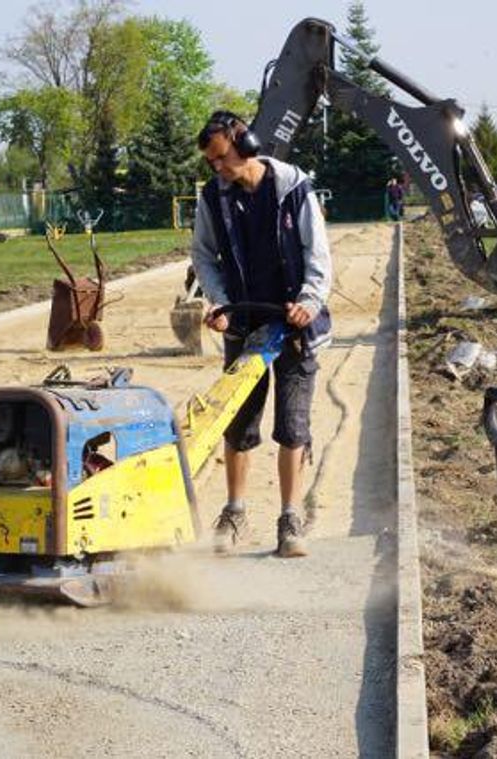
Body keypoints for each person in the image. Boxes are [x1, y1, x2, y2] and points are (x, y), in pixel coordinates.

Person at [190, 110, 333, 558]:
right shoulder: (214, 198)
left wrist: (308, 303)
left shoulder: (293, 189)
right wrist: (219, 304)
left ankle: (290, 519)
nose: (218, 168)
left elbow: (318, 253)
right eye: (211, 163)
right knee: (238, 421)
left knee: (292, 426)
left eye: (221, 157)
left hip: (293, 326)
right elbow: (203, 255)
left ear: (245, 143)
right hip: (245, 326)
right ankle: (234, 512)